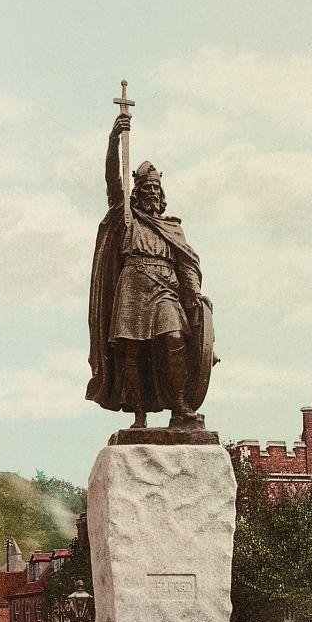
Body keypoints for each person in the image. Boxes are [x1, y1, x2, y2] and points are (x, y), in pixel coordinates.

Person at [86, 113, 212, 428]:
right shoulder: (125, 216)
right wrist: (114, 139)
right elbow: (112, 182)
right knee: (132, 351)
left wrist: (194, 292)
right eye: (147, 187)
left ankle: (181, 406)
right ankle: (139, 416)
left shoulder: (172, 228)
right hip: (132, 286)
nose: (153, 192)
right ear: (138, 190)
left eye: (157, 188)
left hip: (165, 290)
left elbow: (186, 264)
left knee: (174, 338)